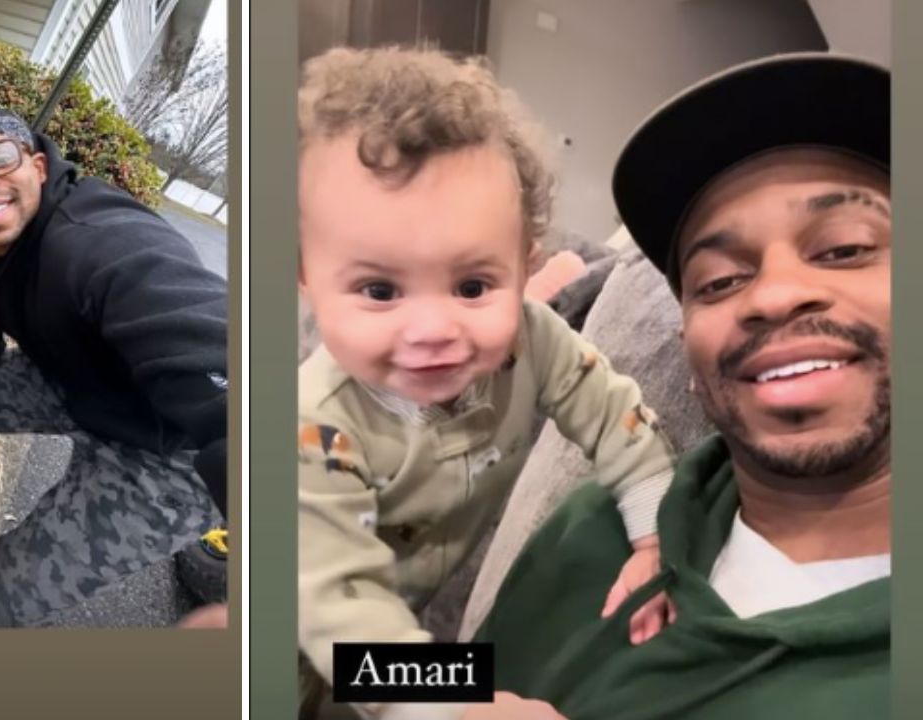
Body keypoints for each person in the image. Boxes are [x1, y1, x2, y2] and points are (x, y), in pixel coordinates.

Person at [475, 52, 890, 720]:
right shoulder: (595, 528)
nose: (776, 295)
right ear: (690, 363)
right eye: (720, 281)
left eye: (843, 249)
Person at [296, 47, 679, 720]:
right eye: (380, 290)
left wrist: (655, 527)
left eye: (473, 285)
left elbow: (611, 409)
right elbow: (340, 613)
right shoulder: (311, 426)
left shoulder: (533, 337)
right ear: (307, 279)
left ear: (525, 266)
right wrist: (458, 705)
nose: (433, 328)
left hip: (402, 622)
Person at [0, 106, 228, 627]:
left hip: (166, 456)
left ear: (39, 166)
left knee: (11, 590)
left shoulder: (99, 242)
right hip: (69, 378)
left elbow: (214, 353)